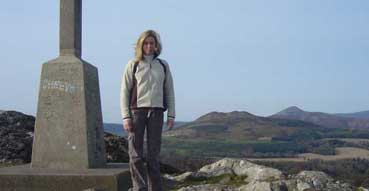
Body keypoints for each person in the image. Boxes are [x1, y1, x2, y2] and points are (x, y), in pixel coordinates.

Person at [120, 30, 175, 191]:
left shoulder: (163, 65)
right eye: (146, 43)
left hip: (157, 113)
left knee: (153, 156)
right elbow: (124, 91)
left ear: (156, 45)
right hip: (137, 112)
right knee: (135, 155)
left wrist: (171, 114)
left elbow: (169, 90)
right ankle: (140, 188)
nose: (149, 46)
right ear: (141, 45)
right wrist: (125, 117)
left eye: (152, 43)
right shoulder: (133, 64)